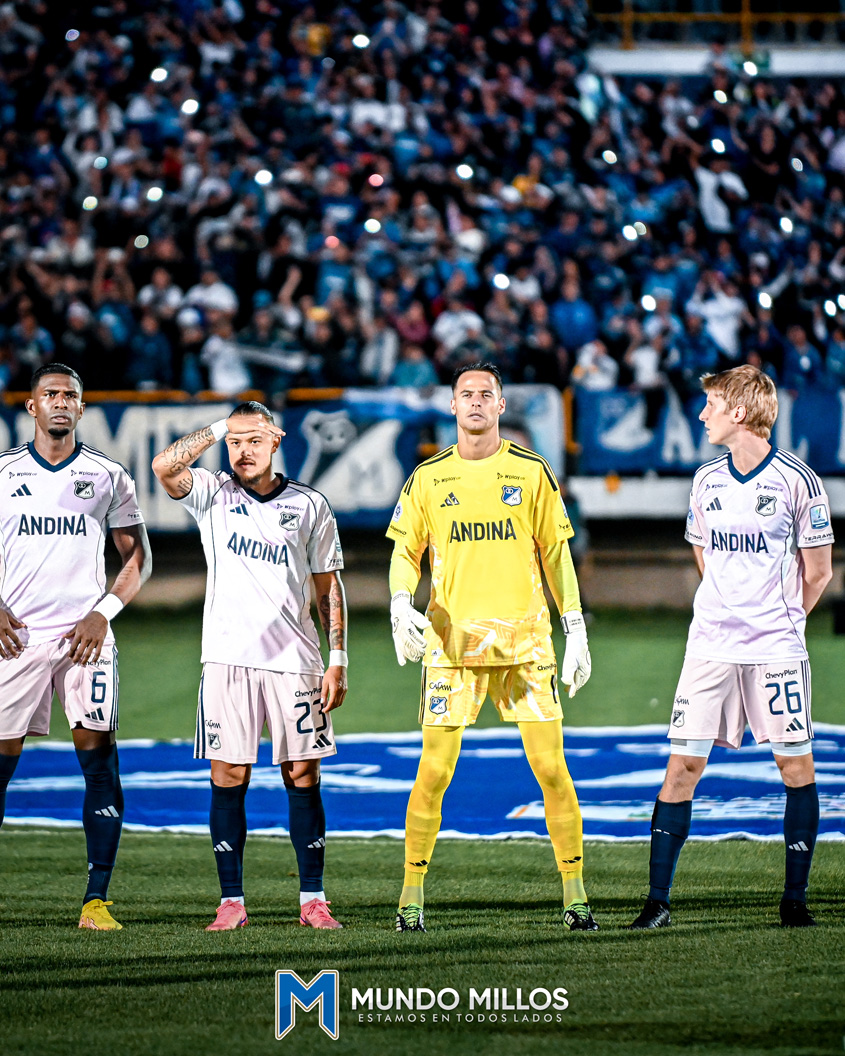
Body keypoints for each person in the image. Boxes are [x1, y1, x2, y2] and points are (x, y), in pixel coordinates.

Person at [386, 362, 595, 933]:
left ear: (501, 406)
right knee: (433, 772)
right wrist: (400, 601)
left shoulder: (531, 472)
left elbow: (556, 554)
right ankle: (410, 898)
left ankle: (575, 896)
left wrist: (574, 625)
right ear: (452, 406)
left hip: (526, 646)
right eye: (466, 394)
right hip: (451, 648)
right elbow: (405, 551)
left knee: (551, 769)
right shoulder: (428, 478)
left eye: (486, 394)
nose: (476, 401)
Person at [628, 365, 833, 931]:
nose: (703, 415)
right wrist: (730, 607)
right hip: (710, 646)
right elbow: (704, 553)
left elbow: (818, 571)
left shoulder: (798, 481)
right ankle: (657, 902)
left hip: (775, 649)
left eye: (712, 405)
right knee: (682, 768)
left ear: (739, 412)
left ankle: (794, 901)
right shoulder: (706, 480)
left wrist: (779, 621)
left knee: (795, 766)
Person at [151, 401, 347, 931]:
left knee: (302, 774)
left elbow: (328, 587)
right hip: (227, 660)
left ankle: (313, 900)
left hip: (296, 662)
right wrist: (222, 426)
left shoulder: (309, 504)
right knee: (228, 774)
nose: (243, 451)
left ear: (275, 441)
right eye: (235, 442)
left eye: (254, 440)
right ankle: (231, 902)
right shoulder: (212, 493)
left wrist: (338, 659)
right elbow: (164, 466)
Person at [0, 363, 151, 929]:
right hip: (15, 640)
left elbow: (138, 559)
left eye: (70, 395)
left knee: (99, 761)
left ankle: (96, 900)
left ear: (82, 408)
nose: (60, 402)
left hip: (85, 639)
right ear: (32, 406)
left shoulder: (108, 475)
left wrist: (101, 613)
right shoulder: (4, 473)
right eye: (50, 394)